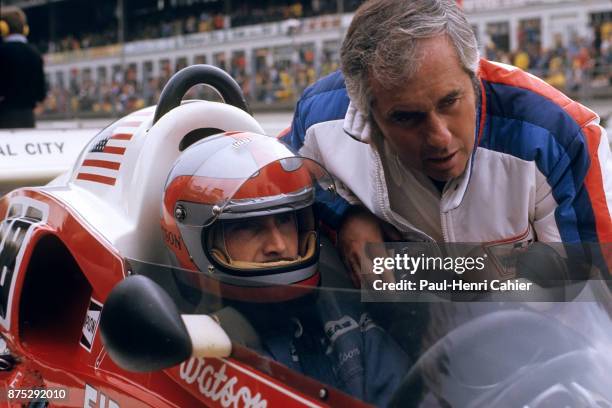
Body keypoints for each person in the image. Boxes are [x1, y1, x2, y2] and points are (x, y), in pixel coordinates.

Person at [281, 0, 612, 282]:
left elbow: (592, 289)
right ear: (366, 111)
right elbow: (277, 168)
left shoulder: (559, 136)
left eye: (450, 101)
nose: (439, 138)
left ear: (474, 74)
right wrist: (343, 216)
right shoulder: (321, 115)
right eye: (407, 117)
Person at [159, 131, 410, 406]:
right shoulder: (173, 342)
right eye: (247, 226)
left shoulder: (344, 322)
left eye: (285, 220)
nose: (278, 245)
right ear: (195, 241)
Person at [0, 6, 46, 128]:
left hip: (4, 117)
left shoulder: (2, 51)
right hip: (28, 118)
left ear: (3, 28)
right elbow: (41, 94)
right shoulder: (35, 53)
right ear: (24, 29)